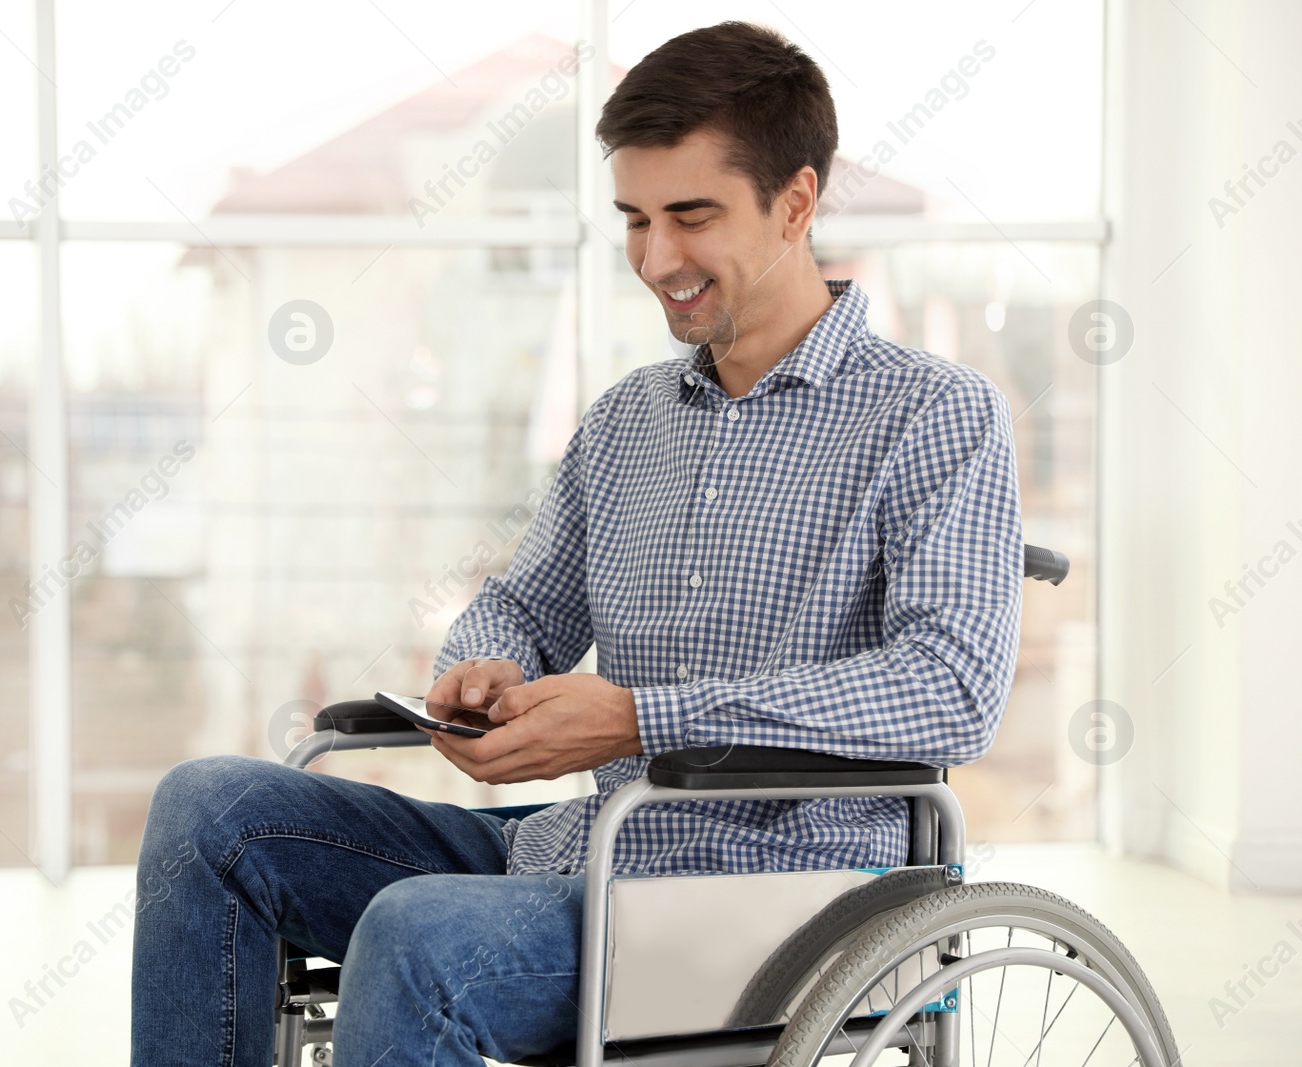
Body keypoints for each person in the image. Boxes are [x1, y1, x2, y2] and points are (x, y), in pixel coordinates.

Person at [130, 20, 1023, 1066]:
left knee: (418, 937)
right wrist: (484, 663)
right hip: (586, 856)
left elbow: (951, 687)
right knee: (209, 810)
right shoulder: (623, 422)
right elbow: (526, 604)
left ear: (796, 202)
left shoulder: (935, 413)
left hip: (790, 902)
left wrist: (639, 718)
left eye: (691, 217)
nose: (656, 260)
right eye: (634, 219)